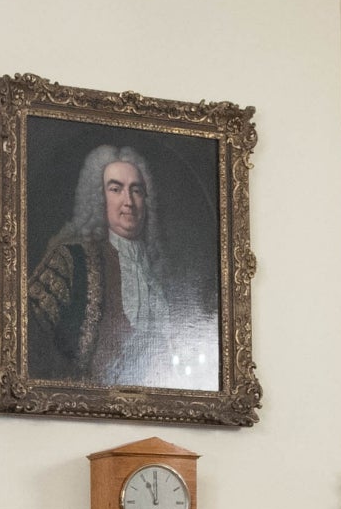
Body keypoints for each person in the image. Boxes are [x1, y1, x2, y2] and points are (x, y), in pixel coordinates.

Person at [28, 143, 212, 388]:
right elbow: (28, 336)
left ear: (147, 200)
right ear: (98, 197)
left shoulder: (163, 275)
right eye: (116, 189)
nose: (128, 201)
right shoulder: (69, 260)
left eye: (136, 191)